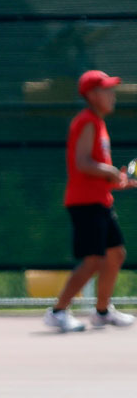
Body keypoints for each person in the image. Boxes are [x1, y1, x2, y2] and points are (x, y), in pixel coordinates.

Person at [44, 70, 137, 332]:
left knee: (116, 254)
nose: (112, 95)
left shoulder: (98, 124)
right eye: (107, 90)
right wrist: (110, 172)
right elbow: (82, 163)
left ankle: (102, 312)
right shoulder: (86, 121)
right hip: (85, 203)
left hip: (100, 200)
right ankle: (58, 311)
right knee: (93, 259)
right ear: (93, 95)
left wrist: (118, 180)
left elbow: (96, 171)